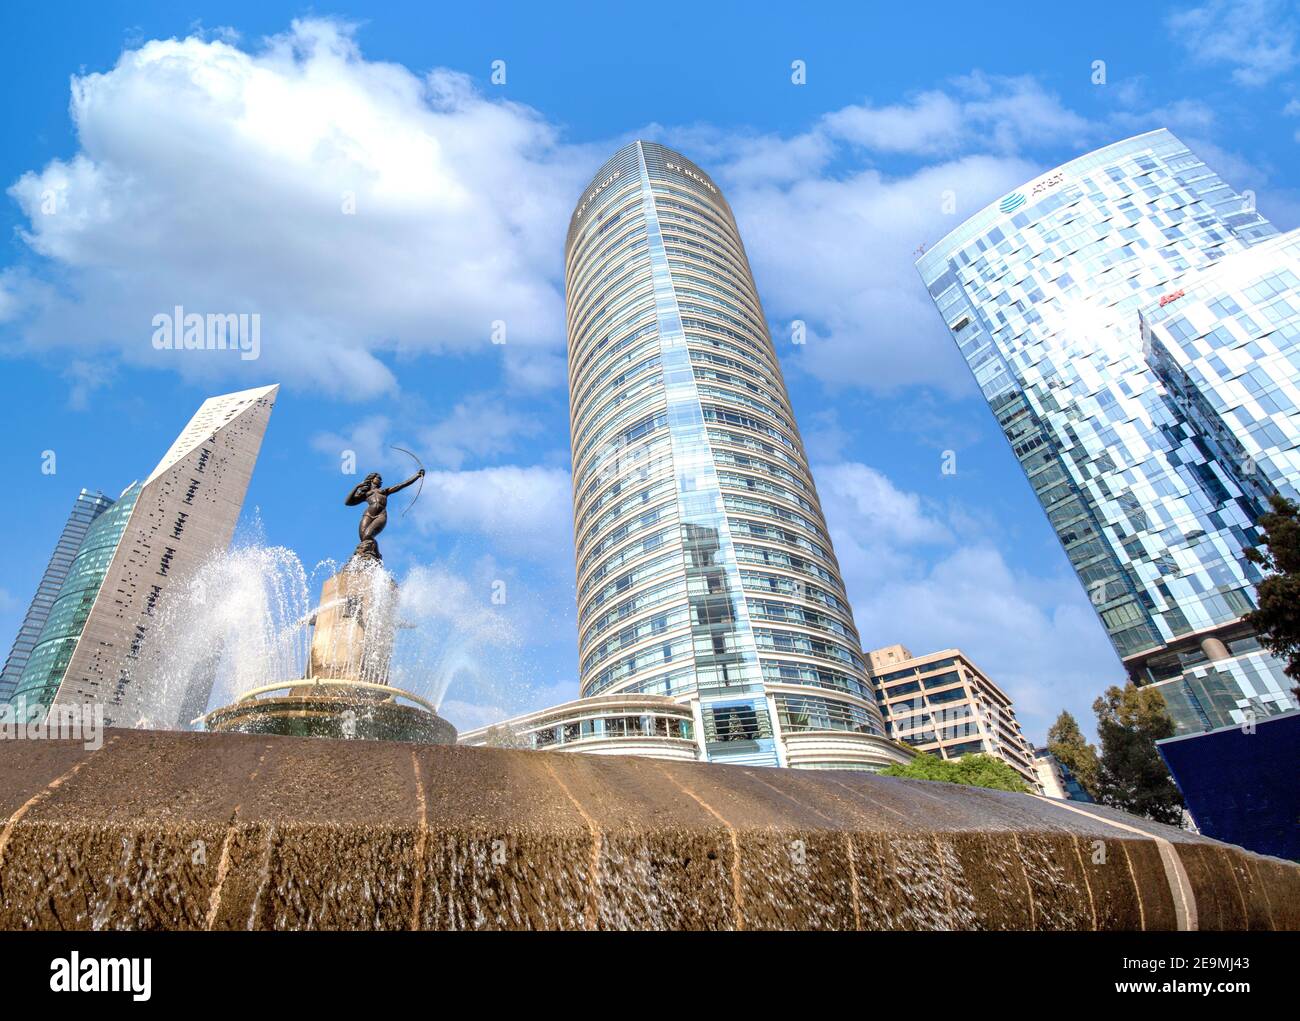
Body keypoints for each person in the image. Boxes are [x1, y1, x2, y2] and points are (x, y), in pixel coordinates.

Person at [345, 468, 424, 560]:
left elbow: (401, 485)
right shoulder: (365, 494)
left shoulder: (384, 491)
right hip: (368, 514)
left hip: (380, 515)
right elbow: (348, 502)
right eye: (378, 478)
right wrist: (357, 486)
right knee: (363, 538)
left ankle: (376, 555)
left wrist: (417, 475)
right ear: (372, 479)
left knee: (367, 536)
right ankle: (375, 555)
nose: (380, 480)